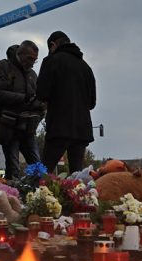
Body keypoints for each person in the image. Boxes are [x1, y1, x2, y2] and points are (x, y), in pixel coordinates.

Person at [36, 31, 96, 175]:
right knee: (77, 177)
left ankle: (36, 196)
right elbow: (92, 103)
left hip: (59, 127)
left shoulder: (51, 61)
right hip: (82, 129)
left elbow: (41, 94)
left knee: (44, 172)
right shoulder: (86, 68)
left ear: (52, 45)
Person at [0, 41, 44, 180]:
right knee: (13, 166)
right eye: (30, 59)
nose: (32, 63)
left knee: (37, 166)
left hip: (28, 127)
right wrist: (24, 98)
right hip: (9, 124)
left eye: (34, 60)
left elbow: (38, 98)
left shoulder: (32, 74)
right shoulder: (3, 66)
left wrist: (40, 108)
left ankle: (36, 194)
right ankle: (13, 195)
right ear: (19, 54)